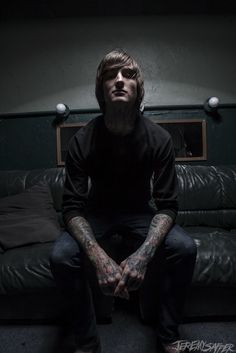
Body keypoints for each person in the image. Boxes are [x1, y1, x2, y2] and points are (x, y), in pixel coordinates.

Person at [50, 49, 197, 353]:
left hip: (140, 213)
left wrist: (143, 255)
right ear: (101, 88)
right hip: (96, 213)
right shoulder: (82, 139)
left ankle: (168, 336)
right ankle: (87, 343)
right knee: (61, 255)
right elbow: (72, 207)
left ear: (138, 88)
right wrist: (99, 257)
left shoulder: (159, 138)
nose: (118, 80)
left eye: (128, 75)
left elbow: (168, 204)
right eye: (109, 75)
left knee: (184, 247)